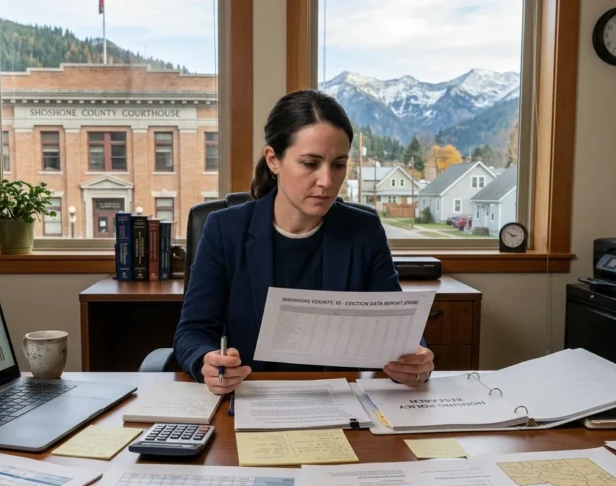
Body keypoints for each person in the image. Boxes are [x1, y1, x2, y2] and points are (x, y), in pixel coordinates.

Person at [174, 89, 435, 395]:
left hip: (341, 401)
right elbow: (192, 332)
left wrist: (415, 359)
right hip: (251, 397)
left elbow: (396, 332)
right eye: (311, 164)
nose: (327, 181)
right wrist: (207, 361)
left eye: (338, 165)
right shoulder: (225, 229)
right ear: (274, 160)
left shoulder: (363, 230)